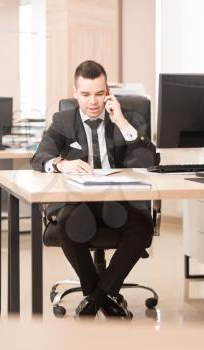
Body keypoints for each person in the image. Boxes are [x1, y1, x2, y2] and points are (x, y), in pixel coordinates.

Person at [31, 60, 159, 318]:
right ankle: (104, 296)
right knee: (67, 225)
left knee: (142, 226)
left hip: (121, 200)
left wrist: (121, 122)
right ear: (75, 92)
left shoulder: (129, 118)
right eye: (86, 94)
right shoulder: (63, 120)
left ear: (108, 92)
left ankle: (94, 300)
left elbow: (149, 161)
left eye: (99, 94)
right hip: (80, 199)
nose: (93, 101)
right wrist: (61, 163)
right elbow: (39, 157)